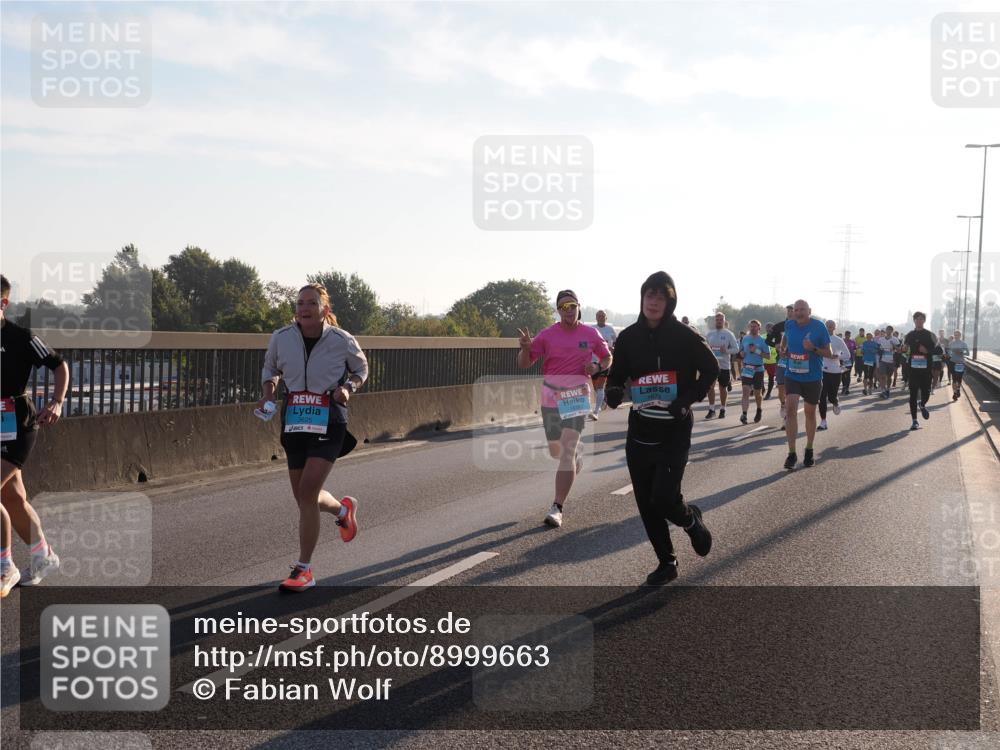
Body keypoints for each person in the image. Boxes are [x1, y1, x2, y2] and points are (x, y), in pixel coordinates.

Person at [605, 271, 717, 585]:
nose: (653, 302)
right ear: (642, 298)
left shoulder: (685, 336)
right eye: (649, 295)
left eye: (660, 297)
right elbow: (617, 374)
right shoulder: (628, 337)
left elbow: (711, 369)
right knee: (646, 502)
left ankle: (691, 521)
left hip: (674, 430)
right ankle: (667, 562)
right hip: (640, 430)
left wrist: (686, 400)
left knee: (665, 498)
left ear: (670, 302)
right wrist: (613, 391)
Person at [259, 283, 367, 591]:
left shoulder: (341, 339)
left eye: (311, 303)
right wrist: (268, 392)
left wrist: (348, 388)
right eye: (300, 303)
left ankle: (303, 569)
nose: (304, 308)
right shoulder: (282, 337)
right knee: (304, 497)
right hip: (295, 419)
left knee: (307, 492)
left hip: (329, 419)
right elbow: (271, 368)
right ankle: (343, 510)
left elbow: (361, 369)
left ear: (324, 310)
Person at [518, 290, 612, 528]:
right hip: (551, 396)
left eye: (572, 305)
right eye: (563, 307)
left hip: (577, 395)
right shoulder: (547, 335)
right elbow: (524, 363)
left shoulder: (590, 333)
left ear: (579, 306)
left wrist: (596, 366)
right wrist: (526, 348)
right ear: (558, 311)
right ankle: (575, 456)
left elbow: (607, 357)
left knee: (566, 451)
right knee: (556, 452)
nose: (568, 310)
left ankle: (557, 507)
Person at [1, 274, 67, 590]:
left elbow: (59, 365)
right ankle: (44, 555)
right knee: (12, 498)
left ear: (3, 303)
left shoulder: (21, 337)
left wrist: (57, 402)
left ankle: (5, 566)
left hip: (17, 422)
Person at [780, 300, 833, 470]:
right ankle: (792, 453)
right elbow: (785, 339)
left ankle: (809, 449)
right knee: (790, 410)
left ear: (809, 311)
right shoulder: (789, 325)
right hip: (792, 375)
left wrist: (813, 348)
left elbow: (829, 353)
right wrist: (783, 349)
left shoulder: (819, 327)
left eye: (802, 309)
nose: (799, 313)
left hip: (813, 377)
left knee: (810, 413)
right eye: (796, 310)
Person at [902, 312, 935, 431]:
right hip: (913, 368)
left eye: (921, 319)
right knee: (913, 394)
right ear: (914, 321)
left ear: (924, 321)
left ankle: (922, 404)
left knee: (926, 392)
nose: (919, 321)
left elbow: (937, 350)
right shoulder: (909, 335)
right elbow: (904, 348)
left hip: (926, 369)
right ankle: (914, 421)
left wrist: (927, 351)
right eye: (917, 319)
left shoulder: (930, 335)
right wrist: (904, 349)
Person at [705, 312, 739, 419]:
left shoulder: (729, 334)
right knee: (710, 387)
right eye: (717, 320)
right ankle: (711, 409)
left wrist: (726, 350)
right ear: (715, 321)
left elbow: (736, 349)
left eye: (721, 320)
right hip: (712, 365)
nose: (719, 322)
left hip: (724, 365)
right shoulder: (710, 334)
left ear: (724, 321)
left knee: (722, 388)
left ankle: (723, 409)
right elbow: (705, 348)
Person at [817, 320, 849, 431]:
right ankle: (823, 421)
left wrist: (836, 356)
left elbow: (847, 355)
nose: (829, 327)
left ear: (834, 327)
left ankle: (835, 402)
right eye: (827, 326)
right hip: (822, 370)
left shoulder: (838, 340)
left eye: (831, 326)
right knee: (821, 397)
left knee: (831, 397)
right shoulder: (820, 339)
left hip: (835, 371)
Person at [590, 310, 618, 420]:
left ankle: (596, 411)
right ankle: (601, 400)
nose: (601, 318)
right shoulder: (592, 329)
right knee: (595, 387)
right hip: (593, 361)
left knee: (600, 386)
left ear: (606, 318)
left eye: (603, 316)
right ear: (596, 317)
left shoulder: (610, 329)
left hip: (605, 361)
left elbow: (616, 343)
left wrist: (613, 349)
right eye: (599, 316)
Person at [738, 320, 767, 424]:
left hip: (758, 369)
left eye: (755, 326)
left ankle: (759, 409)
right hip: (747, 368)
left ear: (759, 328)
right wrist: (741, 353)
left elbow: (767, 356)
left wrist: (756, 351)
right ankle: (744, 414)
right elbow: (740, 351)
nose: (753, 328)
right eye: (751, 326)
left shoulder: (762, 340)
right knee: (745, 391)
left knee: (757, 393)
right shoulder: (745, 338)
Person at [949, 330, 970, 401]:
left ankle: (958, 389)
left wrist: (961, 352)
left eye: (957, 335)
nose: (956, 336)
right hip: (953, 362)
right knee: (954, 378)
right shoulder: (951, 343)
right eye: (955, 335)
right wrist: (950, 353)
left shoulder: (963, 344)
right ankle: (954, 393)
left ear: (960, 336)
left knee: (959, 378)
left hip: (960, 363)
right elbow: (948, 352)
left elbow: (968, 353)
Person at [841, 330, 855, 395]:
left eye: (849, 335)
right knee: (843, 374)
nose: (848, 336)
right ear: (845, 335)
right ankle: (844, 386)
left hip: (850, 360)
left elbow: (854, 349)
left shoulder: (852, 342)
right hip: (842, 360)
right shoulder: (842, 341)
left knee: (848, 374)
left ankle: (847, 388)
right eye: (847, 335)